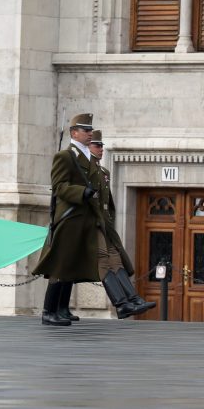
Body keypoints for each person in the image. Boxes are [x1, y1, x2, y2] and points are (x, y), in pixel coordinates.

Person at [33, 113, 106, 326]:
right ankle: (49, 310)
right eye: (86, 130)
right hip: (69, 217)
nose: (90, 133)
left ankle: (62, 308)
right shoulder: (65, 156)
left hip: (83, 218)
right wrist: (83, 192)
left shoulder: (87, 156)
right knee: (60, 265)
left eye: (90, 130)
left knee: (72, 265)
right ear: (74, 133)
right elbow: (59, 186)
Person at [89, 130, 155, 319]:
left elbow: (106, 202)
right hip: (90, 225)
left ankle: (133, 299)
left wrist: (108, 222)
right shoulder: (84, 169)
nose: (101, 149)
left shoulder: (103, 171)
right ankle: (121, 303)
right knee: (103, 261)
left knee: (116, 259)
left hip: (104, 224)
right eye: (97, 145)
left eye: (101, 145)